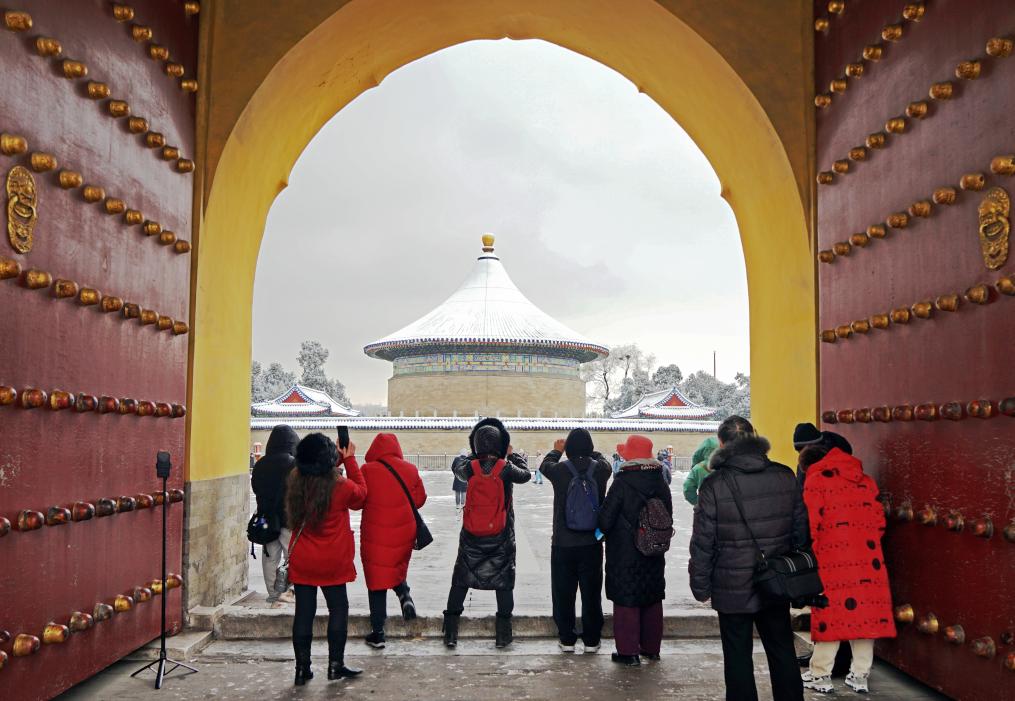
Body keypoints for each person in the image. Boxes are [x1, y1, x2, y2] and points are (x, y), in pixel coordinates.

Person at [689, 416, 807, 701]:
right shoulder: (784, 475)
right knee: (782, 649)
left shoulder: (714, 484)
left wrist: (701, 585)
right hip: (776, 580)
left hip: (731, 584)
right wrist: (796, 573)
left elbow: (703, 541)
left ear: (721, 443)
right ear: (754, 436)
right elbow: (801, 531)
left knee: (737, 656)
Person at [801, 447, 896, 694]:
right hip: (867, 557)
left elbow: (810, 523)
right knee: (863, 615)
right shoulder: (865, 481)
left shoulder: (817, 480)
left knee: (830, 612)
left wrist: (811, 554)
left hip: (832, 557)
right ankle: (860, 674)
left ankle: (820, 674)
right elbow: (879, 522)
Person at [285, 433, 366, 685]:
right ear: (328, 460)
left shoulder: (295, 479)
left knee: (303, 613)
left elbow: (318, 475)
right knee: (338, 609)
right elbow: (361, 495)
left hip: (303, 558)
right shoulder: (340, 486)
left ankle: (302, 669)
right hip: (332, 559)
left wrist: (334, 461)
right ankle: (335, 666)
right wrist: (349, 459)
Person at [443, 418, 530, 649]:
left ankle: (450, 632)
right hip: (501, 535)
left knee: (461, 580)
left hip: (472, 535)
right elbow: (526, 475)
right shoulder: (505, 469)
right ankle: (503, 635)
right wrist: (512, 455)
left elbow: (456, 466)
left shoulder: (469, 468)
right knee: (504, 583)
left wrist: (472, 455)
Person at [597, 434, 672, 666]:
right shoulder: (660, 480)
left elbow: (605, 520)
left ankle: (628, 653)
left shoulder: (622, 482)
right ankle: (651, 649)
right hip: (653, 549)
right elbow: (667, 514)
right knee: (652, 597)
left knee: (626, 598)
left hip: (625, 552)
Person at [539, 429, 612, 653]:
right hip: (592, 542)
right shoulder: (601, 470)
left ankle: (567, 638)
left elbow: (544, 465)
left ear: (569, 448)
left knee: (563, 592)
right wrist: (591, 452)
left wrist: (557, 450)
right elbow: (603, 460)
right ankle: (591, 640)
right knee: (591, 593)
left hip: (563, 542)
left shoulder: (560, 470)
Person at [359, 433, 426, 649]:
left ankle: (378, 634)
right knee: (395, 567)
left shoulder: (367, 470)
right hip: (404, 530)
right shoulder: (410, 469)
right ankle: (404, 595)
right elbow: (420, 499)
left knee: (377, 580)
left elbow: (356, 501)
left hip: (375, 532)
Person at [250, 424, 299, 607]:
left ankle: (274, 595)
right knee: (291, 557)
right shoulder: (294, 463)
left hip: (266, 518)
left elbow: (256, 487)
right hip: (288, 518)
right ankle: (289, 592)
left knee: (270, 557)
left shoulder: (260, 464)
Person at [682, 436, 719, 506]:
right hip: (729, 508)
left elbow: (688, 489)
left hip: (706, 507)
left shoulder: (698, 468)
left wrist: (698, 503)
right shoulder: (730, 465)